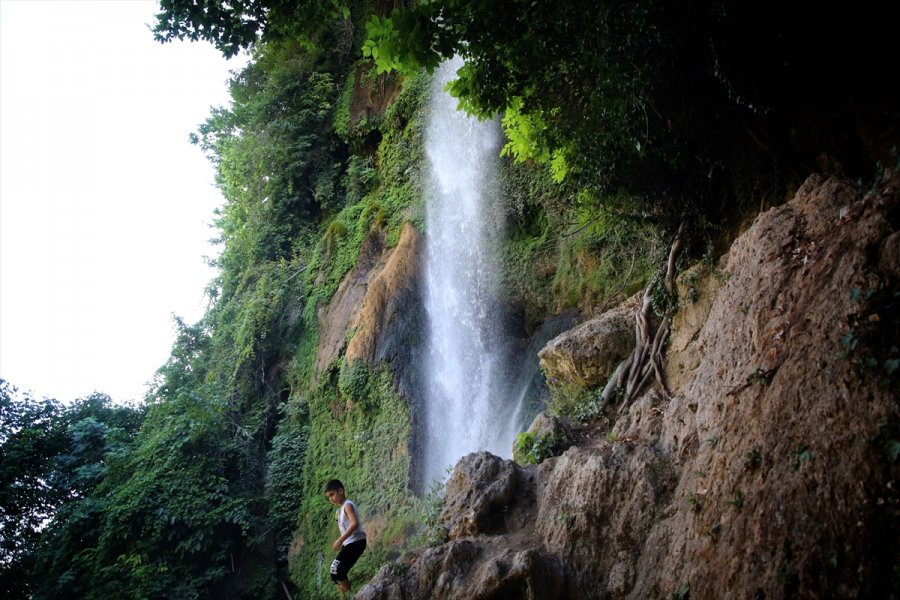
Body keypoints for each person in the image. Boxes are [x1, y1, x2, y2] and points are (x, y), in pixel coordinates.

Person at [324, 479, 367, 595]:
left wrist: (339, 540)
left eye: (332, 495)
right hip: (349, 543)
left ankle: (349, 594)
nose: (330, 499)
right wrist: (342, 542)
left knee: (337, 569)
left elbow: (354, 523)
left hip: (356, 542)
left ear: (341, 491)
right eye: (328, 497)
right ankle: (347, 593)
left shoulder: (347, 505)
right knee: (334, 571)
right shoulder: (341, 509)